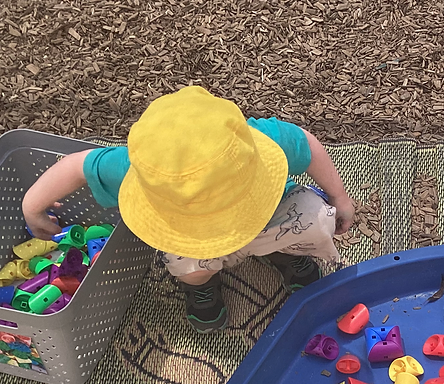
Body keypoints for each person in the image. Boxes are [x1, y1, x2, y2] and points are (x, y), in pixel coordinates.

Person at [22, 86, 355, 333]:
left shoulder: (257, 139)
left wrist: (338, 196)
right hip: (192, 240)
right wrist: (32, 207)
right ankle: (201, 285)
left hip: (269, 216)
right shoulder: (141, 167)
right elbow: (77, 166)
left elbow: (306, 143)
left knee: (312, 216)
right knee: (186, 263)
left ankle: (284, 254)